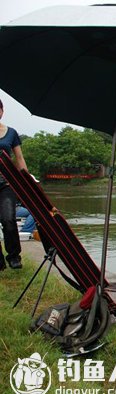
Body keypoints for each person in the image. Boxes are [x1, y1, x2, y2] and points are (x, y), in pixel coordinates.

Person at [0, 98, 28, 270]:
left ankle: (13, 256)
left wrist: (27, 182)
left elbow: (19, 159)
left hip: (6, 183)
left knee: (8, 219)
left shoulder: (11, 133)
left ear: (2, 111)